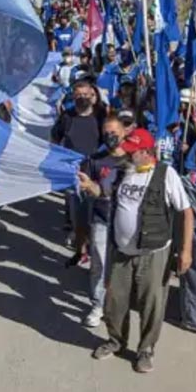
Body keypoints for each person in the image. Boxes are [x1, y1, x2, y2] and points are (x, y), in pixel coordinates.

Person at [89, 128, 194, 373]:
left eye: (132, 152)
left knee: (151, 303)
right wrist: (89, 186)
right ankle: (116, 341)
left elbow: (186, 212)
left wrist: (186, 251)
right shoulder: (120, 171)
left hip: (154, 252)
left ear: (146, 153)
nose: (126, 155)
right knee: (115, 301)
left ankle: (146, 349)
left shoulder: (166, 174)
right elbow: (103, 192)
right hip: (121, 251)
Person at [76, 115, 130, 328]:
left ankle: (119, 305)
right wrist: (89, 187)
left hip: (127, 223)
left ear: (124, 132)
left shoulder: (134, 160)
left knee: (123, 266)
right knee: (99, 264)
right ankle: (98, 305)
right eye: (106, 133)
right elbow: (87, 187)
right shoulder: (95, 159)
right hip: (101, 219)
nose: (110, 137)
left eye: (114, 132)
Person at [51, 79, 107, 267]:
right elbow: (55, 138)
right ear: (73, 96)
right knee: (77, 215)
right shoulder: (67, 117)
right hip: (73, 173)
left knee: (95, 214)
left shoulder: (101, 115)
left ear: (92, 95)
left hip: (96, 173)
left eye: (86, 95)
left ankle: (93, 249)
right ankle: (81, 250)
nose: (82, 98)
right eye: (79, 95)